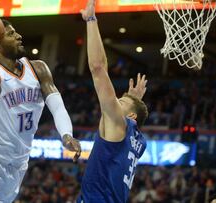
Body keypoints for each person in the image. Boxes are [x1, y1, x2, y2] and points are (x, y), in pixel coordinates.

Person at [0, 19, 81, 202]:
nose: (19, 36)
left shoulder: (38, 69)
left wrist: (66, 134)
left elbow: (57, 105)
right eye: (11, 34)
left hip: (18, 166)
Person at [77, 0, 149, 202]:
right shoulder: (139, 143)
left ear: (130, 116)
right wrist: (132, 99)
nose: (115, 100)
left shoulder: (120, 123)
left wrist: (91, 19)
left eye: (121, 102)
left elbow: (98, 68)